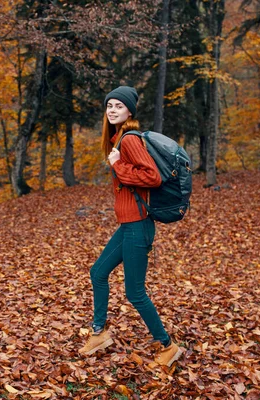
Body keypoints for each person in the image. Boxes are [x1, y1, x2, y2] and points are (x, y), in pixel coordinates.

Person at [78, 86, 183, 367]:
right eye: (109, 105)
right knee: (98, 272)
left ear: (129, 112)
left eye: (118, 106)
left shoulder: (129, 140)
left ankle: (168, 346)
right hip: (128, 224)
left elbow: (152, 177)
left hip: (138, 225)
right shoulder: (118, 139)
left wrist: (117, 166)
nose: (112, 110)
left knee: (135, 292)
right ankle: (99, 332)